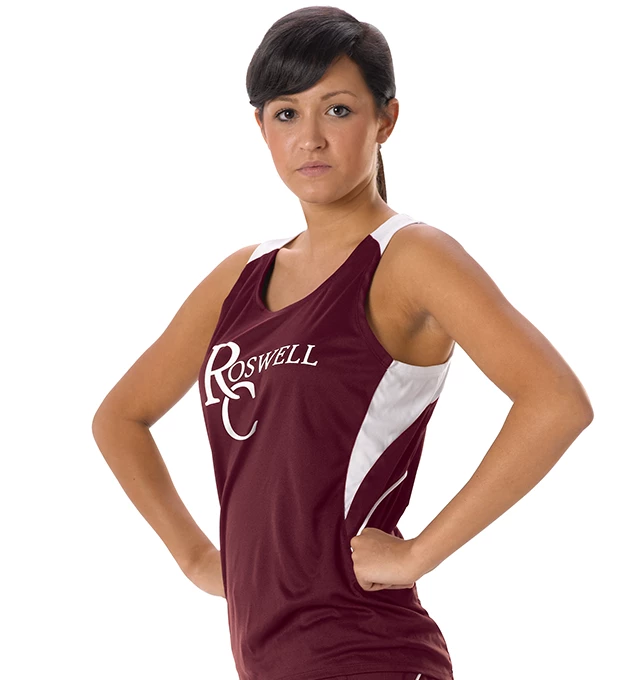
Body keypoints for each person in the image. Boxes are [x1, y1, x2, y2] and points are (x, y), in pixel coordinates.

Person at [92, 6, 593, 680]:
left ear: (386, 119)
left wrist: (418, 554)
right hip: (266, 658)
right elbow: (120, 419)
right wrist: (195, 558)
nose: (310, 138)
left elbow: (556, 402)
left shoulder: (410, 258)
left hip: (370, 652)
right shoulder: (240, 276)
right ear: (262, 128)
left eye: (337, 109)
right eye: (286, 114)